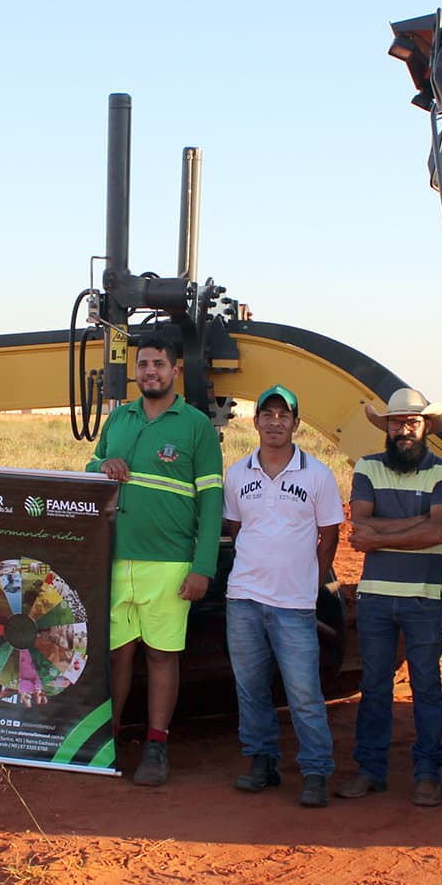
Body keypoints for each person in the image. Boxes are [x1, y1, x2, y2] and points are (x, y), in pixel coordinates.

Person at [86, 330, 224, 786]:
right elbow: (91, 468)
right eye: (143, 364)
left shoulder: (196, 426)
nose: (149, 372)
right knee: (116, 655)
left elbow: (211, 501)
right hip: (114, 559)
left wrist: (202, 566)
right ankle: (108, 740)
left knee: (162, 657)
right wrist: (101, 467)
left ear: (175, 370)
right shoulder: (119, 419)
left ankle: (157, 746)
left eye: (158, 364)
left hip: (168, 564)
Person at [338, 387, 442, 808]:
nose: (403, 429)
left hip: (425, 599)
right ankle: (370, 770)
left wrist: (382, 534)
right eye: (396, 422)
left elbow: (438, 532)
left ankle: (428, 772)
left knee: (427, 686)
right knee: (374, 687)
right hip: (375, 598)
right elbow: (359, 529)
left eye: (412, 422)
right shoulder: (368, 468)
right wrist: (417, 524)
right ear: (386, 427)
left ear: (426, 427)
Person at [223, 385, 344, 808]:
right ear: (255, 421)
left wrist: (311, 579)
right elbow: (238, 531)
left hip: (294, 603)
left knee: (304, 691)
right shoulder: (237, 474)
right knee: (251, 687)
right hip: (244, 598)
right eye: (267, 414)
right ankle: (262, 762)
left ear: (295, 422)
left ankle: (315, 771)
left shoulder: (318, 475)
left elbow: (329, 534)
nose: (275, 422)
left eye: (284, 415)